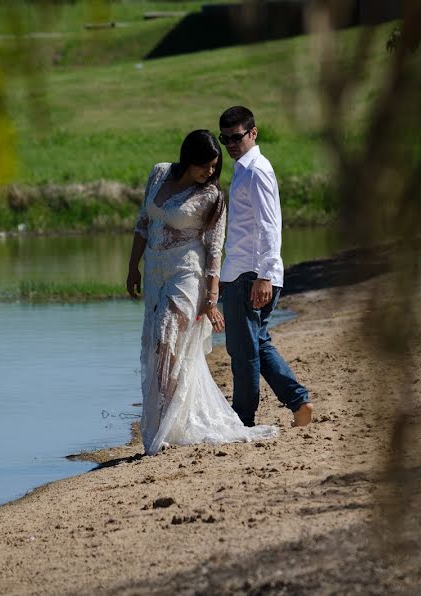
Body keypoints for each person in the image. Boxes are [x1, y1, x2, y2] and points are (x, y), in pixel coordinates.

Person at [126, 129, 277, 455]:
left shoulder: (212, 197)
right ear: (187, 159)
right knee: (155, 347)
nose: (209, 172)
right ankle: (166, 423)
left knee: (169, 343)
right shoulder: (160, 173)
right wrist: (131, 267)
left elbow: (213, 250)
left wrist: (210, 299)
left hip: (186, 277)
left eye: (214, 166)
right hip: (155, 274)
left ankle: (163, 429)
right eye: (203, 166)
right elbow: (142, 223)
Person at [217, 106, 313, 428]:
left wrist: (264, 276)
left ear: (253, 133)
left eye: (237, 137)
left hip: (251, 274)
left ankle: (242, 419)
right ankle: (299, 403)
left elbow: (270, 225)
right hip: (244, 272)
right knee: (257, 343)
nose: (231, 143)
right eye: (225, 138)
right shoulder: (245, 168)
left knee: (244, 353)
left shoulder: (256, 169)